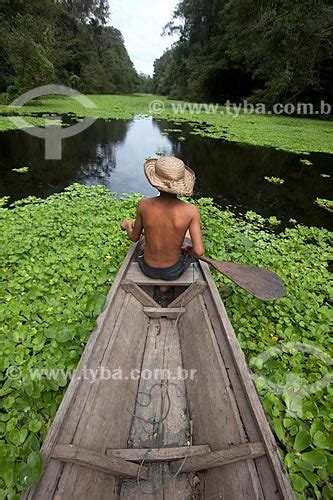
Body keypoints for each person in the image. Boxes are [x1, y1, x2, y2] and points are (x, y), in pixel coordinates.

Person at [121, 156, 204, 292]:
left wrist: (127, 226)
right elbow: (199, 252)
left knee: (143, 235)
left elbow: (134, 238)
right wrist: (188, 249)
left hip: (147, 268)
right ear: (182, 183)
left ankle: (161, 285)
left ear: (156, 181)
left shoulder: (143, 204)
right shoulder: (191, 211)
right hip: (173, 271)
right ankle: (165, 286)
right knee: (188, 234)